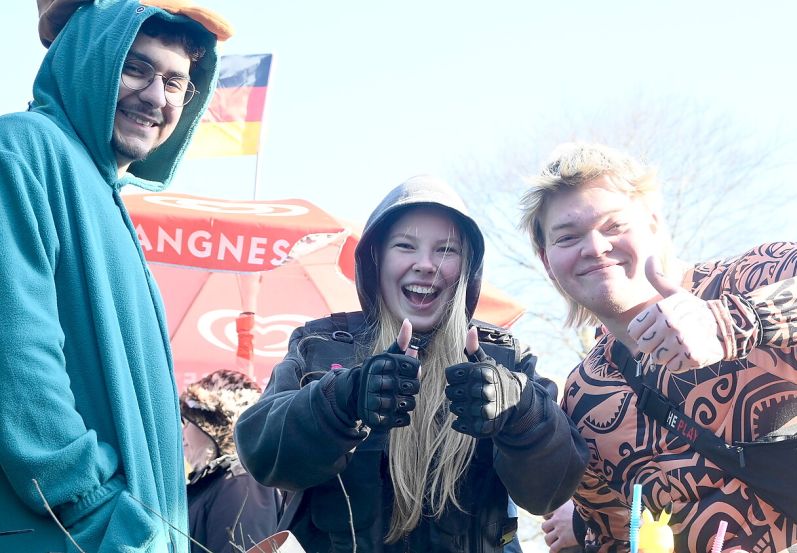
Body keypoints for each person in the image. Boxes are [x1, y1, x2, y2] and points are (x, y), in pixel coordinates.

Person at [519, 143, 797, 553]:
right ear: (546, 260)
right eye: (568, 237)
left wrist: (734, 322)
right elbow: (613, 535)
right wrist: (582, 526)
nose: (594, 247)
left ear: (653, 225)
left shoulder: (748, 280)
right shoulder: (583, 396)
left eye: (613, 225)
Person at [235, 175, 589, 552]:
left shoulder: (507, 357)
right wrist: (342, 399)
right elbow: (263, 454)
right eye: (405, 246)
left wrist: (522, 411)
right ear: (376, 258)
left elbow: (549, 491)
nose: (425, 264)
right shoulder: (319, 345)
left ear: (467, 267)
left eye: (446, 250)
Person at [0, 1, 230, 551]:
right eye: (135, 68)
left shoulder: (106, 197)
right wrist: (98, 509)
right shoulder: (24, 148)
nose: (156, 97)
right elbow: (19, 357)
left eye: (176, 82)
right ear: (86, 59)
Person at [182, 370, 280, 553]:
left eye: (188, 423)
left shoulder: (241, 483)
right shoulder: (218, 481)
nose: (183, 434)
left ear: (213, 429)